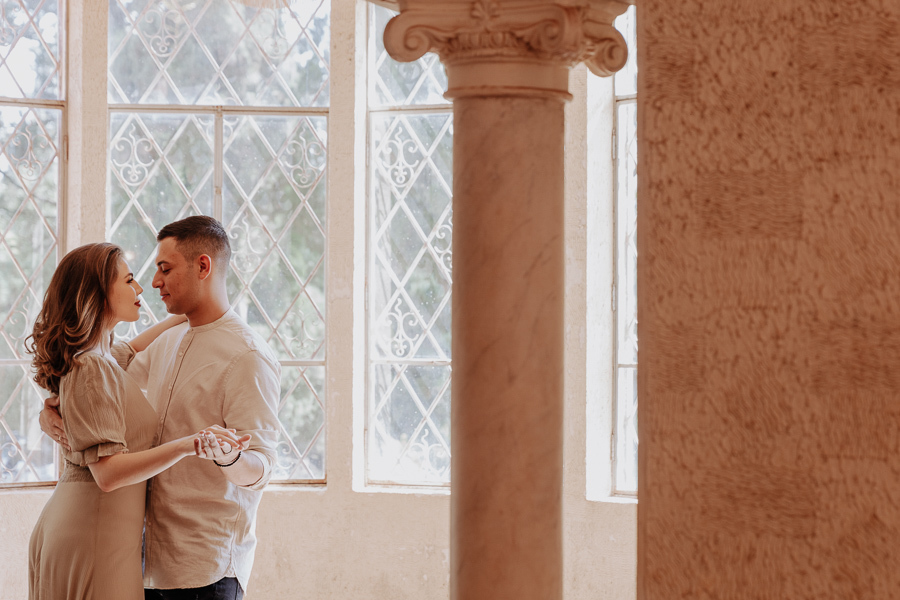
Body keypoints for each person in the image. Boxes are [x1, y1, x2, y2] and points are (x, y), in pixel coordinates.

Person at [41, 216, 281, 600]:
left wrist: (226, 456)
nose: (153, 283)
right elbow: (95, 388)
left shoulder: (248, 357)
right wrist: (50, 411)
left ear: (203, 266)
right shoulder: (163, 342)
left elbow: (261, 468)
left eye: (164, 269)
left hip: (204, 570)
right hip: (144, 563)